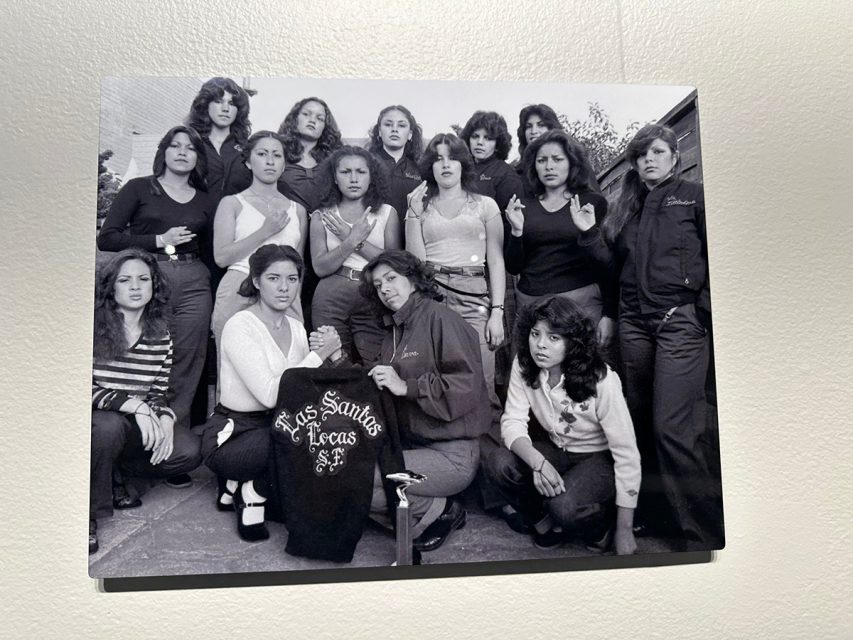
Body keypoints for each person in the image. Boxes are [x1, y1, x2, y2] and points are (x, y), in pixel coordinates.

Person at [588, 123, 722, 550]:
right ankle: (658, 516)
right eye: (643, 154)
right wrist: (590, 235)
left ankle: (702, 533)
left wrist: (700, 311)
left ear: (674, 156)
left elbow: (721, 254)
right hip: (634, 324)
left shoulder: (694, 196)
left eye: (658, 152)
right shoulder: (626, 207)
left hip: (679, 322)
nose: (650, 160)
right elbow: (612, 270)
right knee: (640, 421)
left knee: (673, 427)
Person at [199, 244, 343, 542]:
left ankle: (239, 486)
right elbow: (268, 394)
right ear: (256, 281)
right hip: (236, 434)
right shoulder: (240, 325)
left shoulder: (297, 327)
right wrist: (318, 356)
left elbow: (306, 390)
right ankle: (250, 488)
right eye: (274, 278)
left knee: (326, 440)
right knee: (298, 441)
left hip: (280, 427)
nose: (284, 288)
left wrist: (332, 352)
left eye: (292, 279)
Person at [486, 296, 640, 554]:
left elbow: (626, 454)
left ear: (573, 342)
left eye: (553, 338)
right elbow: (512, 421)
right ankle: (544, 524)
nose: (540, 345)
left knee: (564, 506)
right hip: (555, 450)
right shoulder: (524, 364)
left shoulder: (602, 379)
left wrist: (625, 530)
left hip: (598, 459)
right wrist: (539, 462)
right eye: (535, 334)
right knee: (498, 463)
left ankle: (601, 530)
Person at [360, 251, 491, 552]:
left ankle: (441, 512)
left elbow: (465, 386)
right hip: (415, 445)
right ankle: (432, 506)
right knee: (350, 471)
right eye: (379, 285)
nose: (385, 289)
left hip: (451, 454)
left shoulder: (441, 318)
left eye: (392, 278)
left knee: (362, 480)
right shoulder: (394, 330)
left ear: (414, 280)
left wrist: (407, 386)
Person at [98, 125, 216, 457]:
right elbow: (107, 238)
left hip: (195, 280)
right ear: (163, 151)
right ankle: (134, 435)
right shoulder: (139, 188)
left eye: (190, 147)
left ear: (197, 158)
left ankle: (170, 444)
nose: (182, 152)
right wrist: (158, 241)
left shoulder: (207, 200)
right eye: (175, 145)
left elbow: (211, 250)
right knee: (145, 351)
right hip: (150, 276)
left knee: (187, 359)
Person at [90, 249, 202, 554]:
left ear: (154, 286)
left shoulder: (160, 335)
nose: (136, 286)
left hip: (134, 422)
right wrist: (132, 405)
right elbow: (78, 389)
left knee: (188, 451)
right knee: (108, 428)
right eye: (125, 280)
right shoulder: (92, 328)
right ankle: (89, 513)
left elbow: (157, 392)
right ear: (111, 287)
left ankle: (119, 477)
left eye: (143, 279)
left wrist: (164, 417)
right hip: (99, 420)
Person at [404, 133, 505, 416]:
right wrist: (412, 214)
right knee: (435, 373)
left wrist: (497, 313)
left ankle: (490, 449)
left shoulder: (485, 205)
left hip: (473, 292)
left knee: (482, 376)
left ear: (463, 164)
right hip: (431, 292)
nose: (445, 165)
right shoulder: (420, 206)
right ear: (430, 168)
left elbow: (496, 261)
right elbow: (416, 263)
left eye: (452, 158)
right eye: (438, 159)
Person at [505, 129, 614, 349]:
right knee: (533, 378)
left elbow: (607, 263)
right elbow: (514, 266)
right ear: (533, 166)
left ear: (572, 163)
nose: (549, 166)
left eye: (557, 159)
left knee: (582, 375)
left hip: (580, 305)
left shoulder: (591, 203)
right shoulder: (524, 206)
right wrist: (516, 232)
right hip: (532, 307)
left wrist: (610, 314)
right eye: (542, 160)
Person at [211, 131, 307, 362]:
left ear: (285, 164)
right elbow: (221, 257)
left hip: (284, 289)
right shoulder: (232, 203)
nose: (270, 160)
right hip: (240, 283)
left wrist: (294, 297)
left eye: (277, 155)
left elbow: (299, 267)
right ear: (248, 161)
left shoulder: (298, 210)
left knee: (288, 364)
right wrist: (264, 231)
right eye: (262, 154)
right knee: (233, 365)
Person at [310, 146, 401, 365]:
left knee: (380, 362)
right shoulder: (322, 215)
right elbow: (320, 267)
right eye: (345, 172)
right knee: (331, 363)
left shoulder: (387, 212)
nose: (353, 178)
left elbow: (394, 264)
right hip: (331, 295)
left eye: (361, 172)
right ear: (334, 177)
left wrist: (354, 240)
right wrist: (350, 241)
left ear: (372, 177)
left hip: (374, 292)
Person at [185, 77, 253, 201]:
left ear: (238, 110)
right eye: (218, 101)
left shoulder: (247, 149)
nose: (225, 108)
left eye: (231, 103)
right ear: (206, 104)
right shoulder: (189, 143)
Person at [276, 96, 343, 214]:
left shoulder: (336, 158)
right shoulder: (277, 151)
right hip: (287, 225)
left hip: (325, 227)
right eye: (306, 114)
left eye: (320, 118)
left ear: (325, 126)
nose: (312, 120)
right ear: (295, 118)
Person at [366, 105, 424, 224]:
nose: (394, 129)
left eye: (401, 125)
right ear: (380, 132)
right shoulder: (365, 165)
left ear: (410, 134)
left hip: (409, 234)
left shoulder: (420, 169)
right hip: (374, 234)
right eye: (388, 124)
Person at [459, 110, 523, 213]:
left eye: (487, 138)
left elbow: (509, 221)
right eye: (475, 136)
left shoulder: (506, 175)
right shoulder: (460, 168)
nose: (479, 142)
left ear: (497, 144)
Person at [514, 103, 564, 173]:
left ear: (552, 129)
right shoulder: (515, 173)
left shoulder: (567, 167)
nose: (533, 131)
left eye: (541, 125)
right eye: (528, 126)